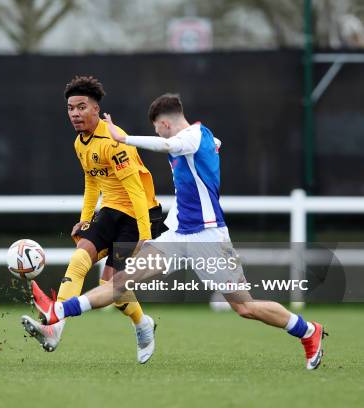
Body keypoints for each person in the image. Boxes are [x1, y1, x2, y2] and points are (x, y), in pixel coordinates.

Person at [27, 93, 327, 370]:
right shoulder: (202, 138)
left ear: (166, 123)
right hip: (178, 236)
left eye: (158, 129)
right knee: (121, 282)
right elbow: (206, 146)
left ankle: (307, 331)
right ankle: (60, 312)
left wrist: (125, 137)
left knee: (245, 307)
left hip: (209, 239)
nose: (159, 134)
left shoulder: (192, 136)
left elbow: (172, 145)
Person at [21, 76, 165, 364]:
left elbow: (136, 191)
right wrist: (85, 220)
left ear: (96, 109)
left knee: (112, 287)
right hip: (110, 212)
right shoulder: (80, 143)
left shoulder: (114, 141)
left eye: (81, 107)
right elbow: (91, 181)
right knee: (79, 259)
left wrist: (146, 235)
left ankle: (142, 324)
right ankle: (54, 327)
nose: (75, 113)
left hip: (138, 216)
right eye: (70, 108)